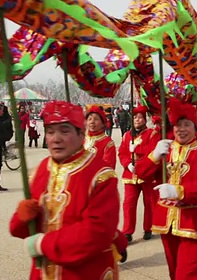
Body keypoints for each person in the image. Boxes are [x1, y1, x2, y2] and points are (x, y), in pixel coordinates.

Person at [9, 100, 121, 279]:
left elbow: (97, 232)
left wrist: (43, 244)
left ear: (81, 134)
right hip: (44, 272)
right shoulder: (41, 169)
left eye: (64, 131)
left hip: (83, 272)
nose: (56, 138)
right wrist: (22, 218)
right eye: (50, 132)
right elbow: (24, 230)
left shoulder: (101, 175)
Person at [135, 98, 197, 280]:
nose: (181, 129)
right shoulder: (165, 149)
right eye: (177, 125)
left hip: (193, 223)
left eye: (186, 124)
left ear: (195, 128)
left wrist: (179, 191)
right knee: (174, 273)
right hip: (167, 223)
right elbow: (141, 172)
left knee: (186, 275)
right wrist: (154, 156)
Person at [118, 106, 157, 242]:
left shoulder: (151, 134)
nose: (137, 120)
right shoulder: (127, 135)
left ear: (145, 119)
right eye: (135, 117)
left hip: (146, 174)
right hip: (130, 175)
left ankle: (148, 228)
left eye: (140, 117)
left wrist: (138, 149)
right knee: (128, 203)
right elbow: (122, 153)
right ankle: (128, 231)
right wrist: (128, 163)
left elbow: (152, 152)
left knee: (149, 202)